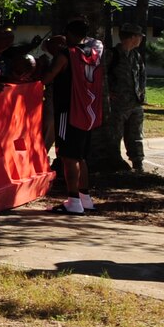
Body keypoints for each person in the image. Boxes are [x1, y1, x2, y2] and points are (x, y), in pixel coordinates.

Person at [42, 18, 104, 214]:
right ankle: (85, 198)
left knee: (68, 157)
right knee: (81, 157)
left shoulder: (66, 54)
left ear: (68, 33)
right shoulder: (92, 53)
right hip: (87, 109)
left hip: (68, 110)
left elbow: (48, 77)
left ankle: (73, 201)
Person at [106, 23, 149, 173]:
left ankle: (138, 163)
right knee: (115, 135)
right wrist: (107, 93)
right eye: (139, 36)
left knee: (135, 135)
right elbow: (101, 76)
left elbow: (142, 76)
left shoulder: (136, 56)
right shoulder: (112, 54)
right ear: (132, 37)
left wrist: (142, 94)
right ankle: (114, 162)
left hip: (135, 104)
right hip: (117, 105)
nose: (141, 39)